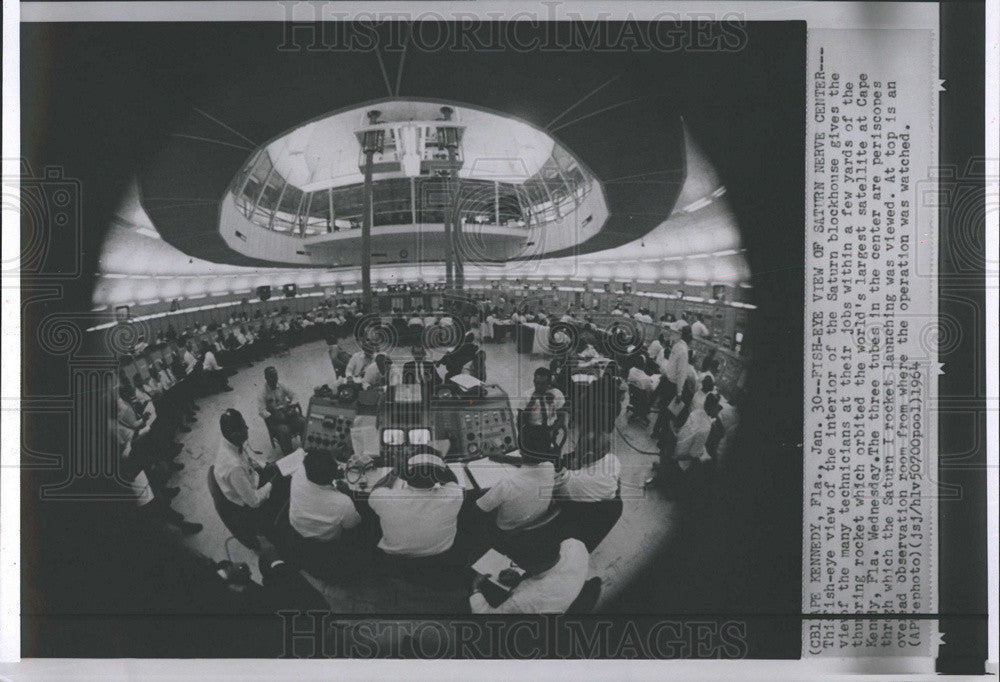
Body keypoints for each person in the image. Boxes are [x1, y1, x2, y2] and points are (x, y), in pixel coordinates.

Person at [368, 448, 464, 561]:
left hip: (394, 561)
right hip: (440, 560)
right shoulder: (455, 494)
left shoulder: (383, 498)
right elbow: (452, 480)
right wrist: (437, 462)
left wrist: (397, 469)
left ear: (404, 474)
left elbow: (376, 489)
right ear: (439, 477)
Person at [469, 537, 589, 614]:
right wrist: (523, 576)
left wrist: (476, 589)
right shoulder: (575, 545)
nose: (513, 565)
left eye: (514, 563)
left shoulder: (526, 598)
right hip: (567, 592)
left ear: (532, 567)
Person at [213, 408, 282, 529]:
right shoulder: (234, 468)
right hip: (250, 505)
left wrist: (266, 466)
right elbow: (254, 502)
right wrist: (272, 482)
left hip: (251, 477)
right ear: (236, 435)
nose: (247, 428)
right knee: (283, 487)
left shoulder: (229, 440)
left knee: (279, 469)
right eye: (244, 427)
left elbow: (247, 460)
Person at [554, 431, 623, 551]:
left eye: (578, 447)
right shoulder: (614, 460)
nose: (575, 448)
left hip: (583, 518)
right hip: (611, 506)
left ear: (589, 454)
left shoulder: (572, 480)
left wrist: (571, 471)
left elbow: (556, 494)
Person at [288, 450, 362, 543]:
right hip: (326, 543)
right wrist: (347, 493)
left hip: (297, 531)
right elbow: (353, 524)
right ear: (334, 474)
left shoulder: (298, 473)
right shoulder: (343, 502)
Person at [475, 449, 555, 532]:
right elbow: (531, 461)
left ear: (521, 452)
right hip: (538, 520)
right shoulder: (550, 467)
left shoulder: (506, 483)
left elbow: (479, 509)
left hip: (508, 529)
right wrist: (504, 458)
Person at [258, 366, 304, 455]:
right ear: (266, 378)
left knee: (303, 421)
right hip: (275, 419)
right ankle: (289, 454)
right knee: (285, 431)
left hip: (287, 413)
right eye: (272, 377)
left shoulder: (281, 385)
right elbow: (261, 411)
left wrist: (292, 405)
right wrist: (272, 416)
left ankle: (306, 446)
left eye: (276, 376)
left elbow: (294, 395)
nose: (275, 380)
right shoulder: (262, 393)